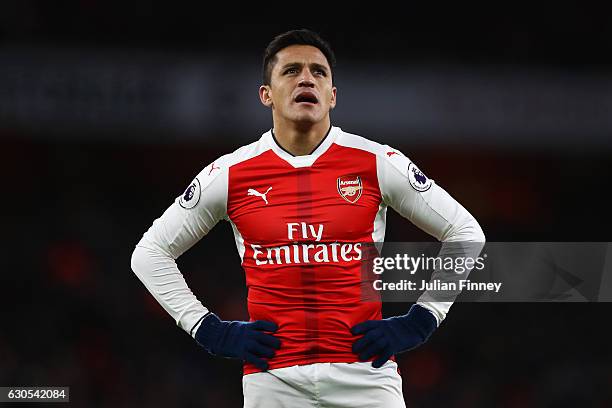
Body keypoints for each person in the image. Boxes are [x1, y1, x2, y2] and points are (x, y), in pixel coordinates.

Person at [131, 29, 485, 407]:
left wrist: (423, 318)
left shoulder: (376, 162)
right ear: (265, 94)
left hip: (365, 377)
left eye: (319, 72)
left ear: (332, 96)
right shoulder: (232, 173)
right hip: (274, 381)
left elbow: (466, 232)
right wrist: (208, 329)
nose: (306, 78)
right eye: (291, 71)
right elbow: (149, 254)